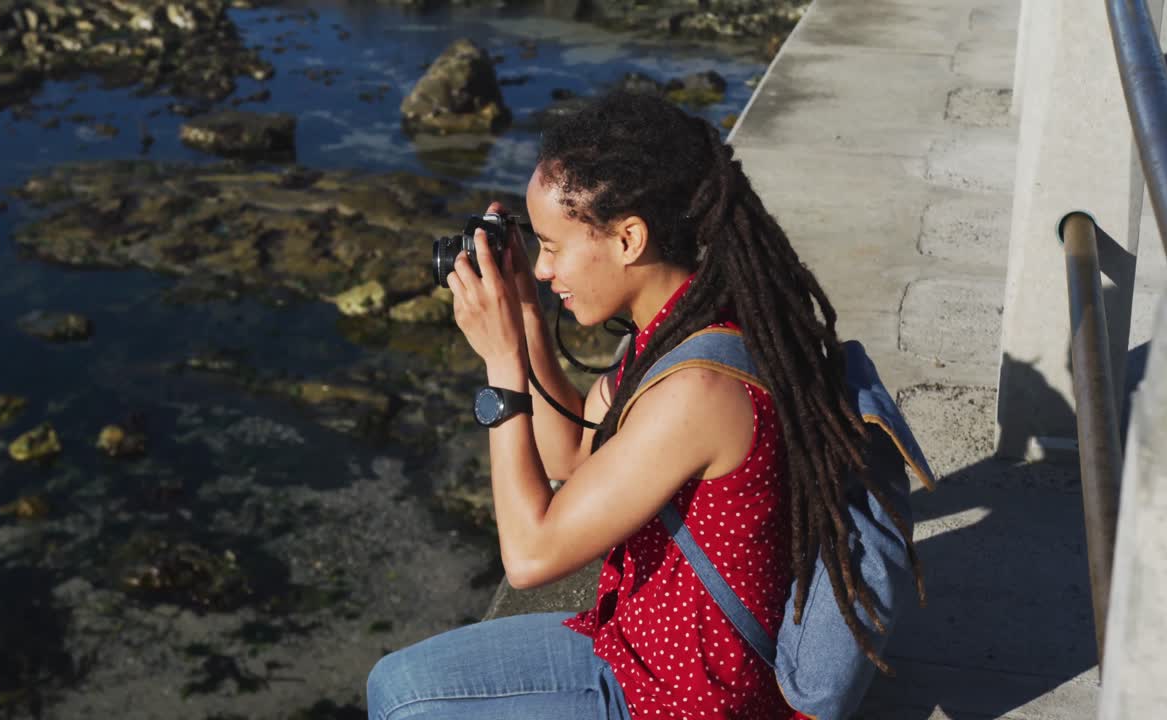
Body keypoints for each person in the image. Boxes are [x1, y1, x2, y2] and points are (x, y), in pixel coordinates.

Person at [366, 90, 919, 719]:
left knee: (406, 706)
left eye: (552, 246)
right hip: (636, 642)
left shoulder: (697, 394)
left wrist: (502, 370)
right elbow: (574, 453)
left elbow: (530, 556)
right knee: (392, 683)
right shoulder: (688, 323)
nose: (544, 269)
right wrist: (523, 318)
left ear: (628, 238)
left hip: (680, 697)